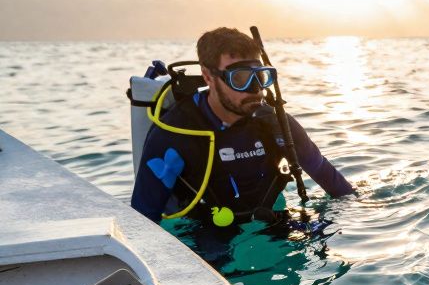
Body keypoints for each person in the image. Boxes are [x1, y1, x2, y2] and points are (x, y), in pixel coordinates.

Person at [131, 27, 353, 227]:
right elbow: (142, 220)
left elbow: (338, 188)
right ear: (208, 76)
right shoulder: (175, 134)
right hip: (208, 236)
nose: (256, 89)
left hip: (272, 224)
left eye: (260, 76)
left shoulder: (276, 123)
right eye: (240, 78)